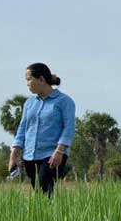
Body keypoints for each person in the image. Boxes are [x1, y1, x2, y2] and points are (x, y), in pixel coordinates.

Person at [8, 63, 76, 196]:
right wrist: (13, 155)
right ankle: (47, 210)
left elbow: (69, 128)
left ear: (41, 79)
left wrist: (59, 151)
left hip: (52, 154)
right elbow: (22, 128)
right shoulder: (29, 103)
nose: (27, 83)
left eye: (29, 79)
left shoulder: (64, 101)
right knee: (40, 194)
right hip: (30, 155)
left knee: (45, 190)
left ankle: (51, 210)